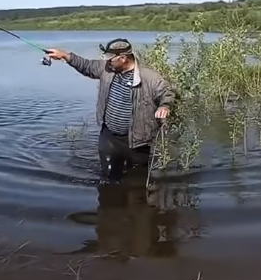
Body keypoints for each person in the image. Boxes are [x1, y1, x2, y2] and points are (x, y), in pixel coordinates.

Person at [44, 38, 174, 179]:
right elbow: (86, 65)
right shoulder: (107, 69)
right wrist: (64, 55)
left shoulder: (150, 78)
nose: (107, 61)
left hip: (139, 141)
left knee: (137, 180)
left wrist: (165, 106)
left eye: (110, 59)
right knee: (109, 177)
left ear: (123, 58)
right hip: (109, 136)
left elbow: (167, 94)